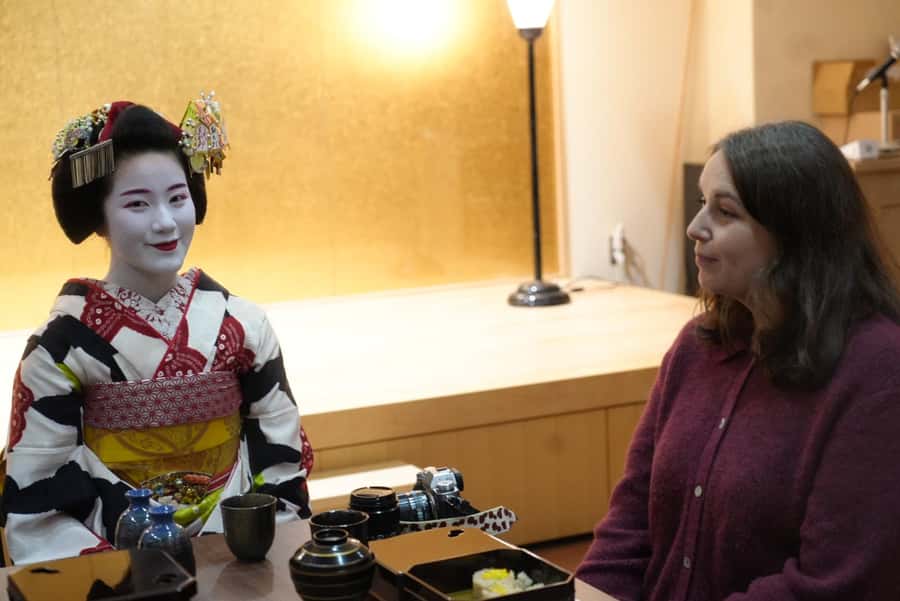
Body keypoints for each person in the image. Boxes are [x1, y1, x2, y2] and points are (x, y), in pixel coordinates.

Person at [575, 121, 900, 600]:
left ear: (796, 235)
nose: (695, 228)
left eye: (724, 212)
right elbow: (629, 529)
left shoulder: (878, 372)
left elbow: (832, 583)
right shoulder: (696, 347)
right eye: (701, 204)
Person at [1, 95, 314, 564]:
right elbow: (39, 498)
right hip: (114, 562)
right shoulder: (60, 348)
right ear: (99, 215)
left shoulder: (243, 326)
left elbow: (280, 459)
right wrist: (124, 567)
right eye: (137, 203)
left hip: (239, 553)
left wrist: (257, 551)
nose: (165, 222)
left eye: (177, 197)